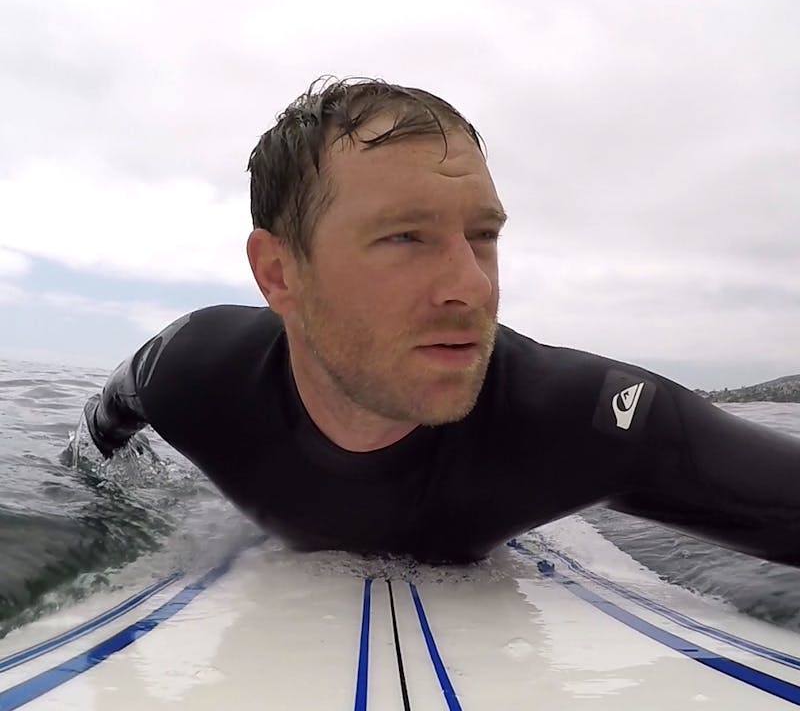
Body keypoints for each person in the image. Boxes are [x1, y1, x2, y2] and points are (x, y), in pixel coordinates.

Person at [83, 76, 800, 565]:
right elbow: (98, 439)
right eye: (405, 236)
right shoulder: (193, 371)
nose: (473, 286)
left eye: (482, 235)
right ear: (279, 273)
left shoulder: (581, 419)